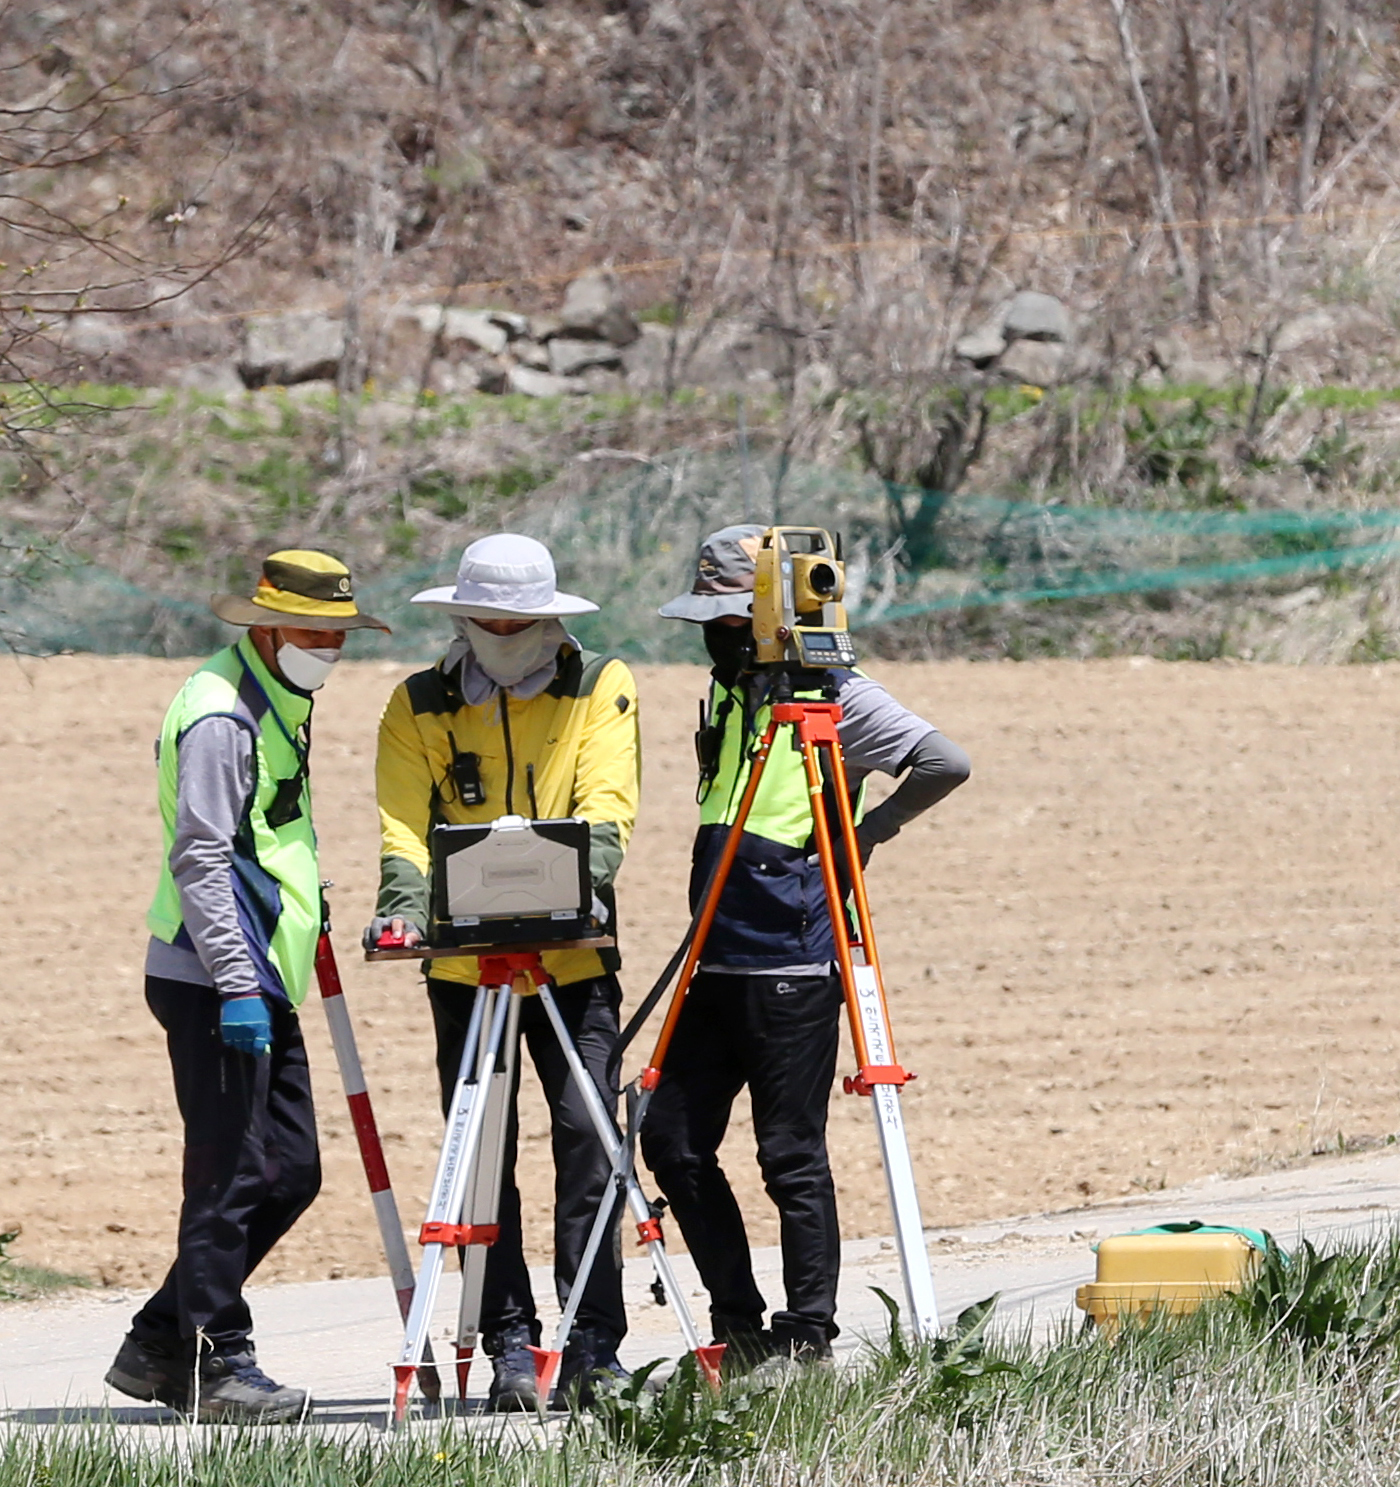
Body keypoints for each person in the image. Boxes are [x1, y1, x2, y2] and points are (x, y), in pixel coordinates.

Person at [640, 525, 971, 1370]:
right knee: (672, 1140)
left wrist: (865, 837)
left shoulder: (837, 694)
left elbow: (942, 761)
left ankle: (807, 1335)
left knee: (789, 1154)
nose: (712, 637)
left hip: (790, 963)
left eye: (727, 620)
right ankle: (740, 1324)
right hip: (712, 954)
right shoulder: (725, 692)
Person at [105, 549, 388, 1423]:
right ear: (266, 627)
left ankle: (159, 1340)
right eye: (315, 633)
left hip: (264, 972)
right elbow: (201, 855)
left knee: (289, 1172)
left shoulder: (276, 698)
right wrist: (235, 984)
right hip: (220, 979)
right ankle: (215, 1363)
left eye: (339, 635)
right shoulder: (222, 717)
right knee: (230, 1177)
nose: (329, 649)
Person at [370, 533, 641, 1410]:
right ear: (459, 615)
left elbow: (608, 805)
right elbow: (403, 826)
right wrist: (404, 908)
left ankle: (594, 1344)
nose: (503, 632)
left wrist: (578, 883)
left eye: (520, 622)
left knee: (588, 1143)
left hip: (574, 959)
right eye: (488, 620)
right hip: (464, 969)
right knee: (483, 1159)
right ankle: (510, 1346)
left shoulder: (603, 685)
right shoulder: (418, 705)